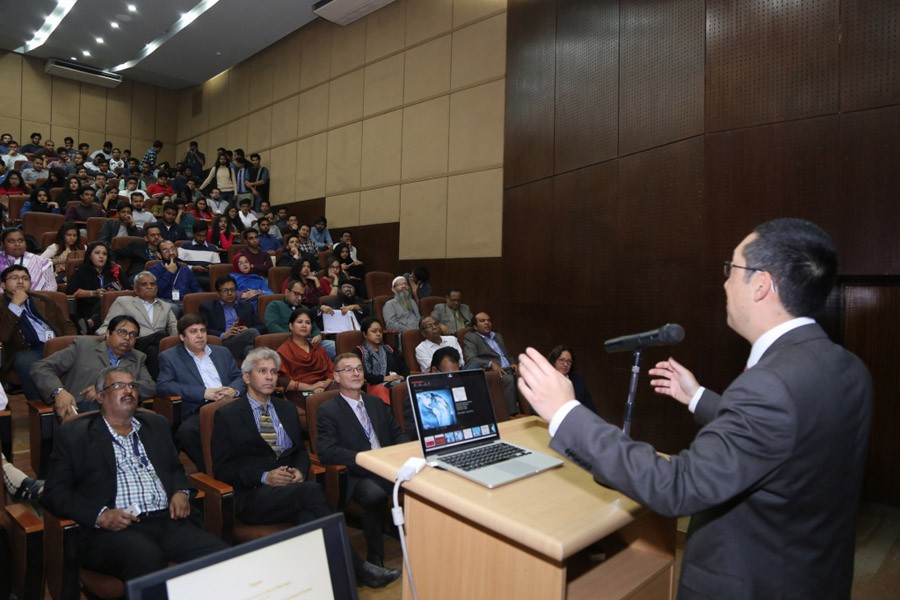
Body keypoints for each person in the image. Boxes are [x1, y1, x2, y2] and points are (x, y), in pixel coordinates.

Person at [516, 218, 873, 600]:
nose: (724, 283)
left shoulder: (770, 385)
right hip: (813, 577)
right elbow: (785, 438)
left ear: (761, 285)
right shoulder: (847, 367)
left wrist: (566, 412)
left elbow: (678, 486)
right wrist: (698, 396)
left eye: (731, 269)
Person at [210, 348, 401, 589]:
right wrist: (264, 476)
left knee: (310, 515)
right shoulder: (227, 415)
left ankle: (337, 578)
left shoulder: (287, 409)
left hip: (291, 490)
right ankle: (360, 569)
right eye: (262, 371)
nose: (269, 377)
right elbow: (222, 468)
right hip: (254, 495)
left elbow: (300, 452)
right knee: (311, 492)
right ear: (247, 377)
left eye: (273, 372)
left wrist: (300, 470)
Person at [42, 366, 228, 581]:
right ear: (101, 397)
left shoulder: (157, 425)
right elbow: (55, 493)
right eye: (119, 386)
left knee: (222, 557)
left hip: (167, 520)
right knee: (147, 557)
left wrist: (180, 491)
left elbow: (175, 468)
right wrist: (100, 515)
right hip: (116, 529)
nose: (128, 390)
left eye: (132, 385)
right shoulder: (74, 435)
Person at [317, 353, 410, 567]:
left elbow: (398, 433)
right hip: (357, 472)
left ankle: (413, 538)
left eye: (359, 368)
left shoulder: (375, 403)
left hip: (386, 467)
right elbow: (327, 451)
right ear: (336, 376)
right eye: (348, 369)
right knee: (373, 494)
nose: (356, 373)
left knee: (422, 482)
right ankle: (375, 557)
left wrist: (402, 451)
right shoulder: (328, 411)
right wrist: (367, 459)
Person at [158, 314, 245, 473]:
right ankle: (212, 470)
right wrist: (204, 393)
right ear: (182, 337)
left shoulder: (222, 352)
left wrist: (233, 389)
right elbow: (164, 385)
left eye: (202, 331)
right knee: (187, 432)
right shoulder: (169, 357)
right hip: (199, 408)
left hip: (231, 403)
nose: (199, 335)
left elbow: (239, 376)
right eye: (193, 331)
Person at [31, 315, 155, 417]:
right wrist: (58, 392)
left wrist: (109, 388)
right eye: (122, 332)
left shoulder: (138, 357)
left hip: (124, 414)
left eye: (133, 335)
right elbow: (40, 367)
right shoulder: (83, 346)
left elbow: (150, 387)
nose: (127, 338)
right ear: (107, 333)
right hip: (83, 411)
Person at [0, 264, 76, 401]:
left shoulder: (44, 300)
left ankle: (79, 401)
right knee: (29, 363)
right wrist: (15, 305)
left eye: (25, 278)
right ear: (3, 285)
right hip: (26, 351)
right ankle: (44, 406)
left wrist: (69, 341)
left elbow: (66, 324)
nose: (20, 281)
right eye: (14, 278)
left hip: (56, 346)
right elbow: (3, 336)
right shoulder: (1, 305)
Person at [96, 271, 178, 378]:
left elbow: (174, 327)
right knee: (161, 334)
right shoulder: (124, 302)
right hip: (134, 342)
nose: (149, 287)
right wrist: (105, 334)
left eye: (152, 284)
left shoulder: (165, 306)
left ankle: (156, 384)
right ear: (135, 288)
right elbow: (108, 325)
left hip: (156, 346)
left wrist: (176, 342)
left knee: (152, 349)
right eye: (144, 284)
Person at [463, 312, 519, 415]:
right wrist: (490, 363)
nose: (487, 323)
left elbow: (507, 354)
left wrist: (512, 363)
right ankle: (511, 414)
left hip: (508, 368)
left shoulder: (497, 336)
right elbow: (471, 359)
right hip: (492, 371)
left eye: (488, 320)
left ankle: (532, 412)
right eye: (482, 321)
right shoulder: (471, 337)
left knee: (527, 375)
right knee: (508, 379)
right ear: (475, 326)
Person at [200, 275, 266, 362]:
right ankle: (267, 358)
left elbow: (262, 327)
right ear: (217, 293)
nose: (230, 293)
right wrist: (223, 335)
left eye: (232, 290)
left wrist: (247, 329)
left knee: (249, 350)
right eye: (225, 290)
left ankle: (250, 372)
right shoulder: (208, 307)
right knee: (252, 333)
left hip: (242, 344)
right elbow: (203, 329)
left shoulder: (246, 306)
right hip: (223, 344)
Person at [276, 308, 335, 403]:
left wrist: (323, 385)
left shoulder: (317, 348)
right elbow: (281, 380)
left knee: (345, 390)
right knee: (317, 399)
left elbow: (331, 371)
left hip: (323, 387)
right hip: (301, 392)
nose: (304, 325)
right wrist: (311, 387)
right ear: (291, 326)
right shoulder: (283, 351)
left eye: (308, 323)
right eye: (300, 322)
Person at [263, 279, 334, 356]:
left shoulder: (304, 308)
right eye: (296, 294)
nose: (299, 298)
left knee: (333, 346)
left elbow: (314, 327)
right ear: (287, 292)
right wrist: (292, 336)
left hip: (309, 341)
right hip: (286, 342)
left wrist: (318, 335)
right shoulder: (275, 305)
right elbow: (272, 326)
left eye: (302, 295)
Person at [67, 241, 122, 334]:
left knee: (106, 298)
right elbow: (71, 292)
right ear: (89, 256)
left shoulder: (115, 271)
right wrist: (94, 293)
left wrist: (115, 293)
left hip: (114, 309)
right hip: (88, 308)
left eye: (104, 254)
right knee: (103, 300)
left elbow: (128, 290)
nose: (101, 256)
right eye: (97, 253)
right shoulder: (81, 272)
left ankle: (91, 323)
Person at [353, 317, 404, 405]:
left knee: (406, 386)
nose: (378, 334)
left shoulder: (388, 349)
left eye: (380, 331)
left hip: (396, 383)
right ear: (365, 334)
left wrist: (402, 376)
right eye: (374, 331)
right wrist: (383, 378)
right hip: (373, 386)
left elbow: (403, 367)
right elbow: (361, 374)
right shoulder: (359, 351)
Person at [149, 240, 203, 315]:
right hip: (164, 303)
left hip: (185, 303)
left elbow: (197, 289)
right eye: (165, 250)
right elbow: (156, 291)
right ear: (159, 254)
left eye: (172, 249)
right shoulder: (155, 269)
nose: (171, 253)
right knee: (173, 309)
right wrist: (170, 273)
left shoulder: (185, 270)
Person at [546, 345, 596, 413]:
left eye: (569, 361)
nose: (565, 364)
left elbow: (590, 408)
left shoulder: (578, 380)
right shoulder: (545, 380)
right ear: (554, 361)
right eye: (561, 360)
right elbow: (535, 410)